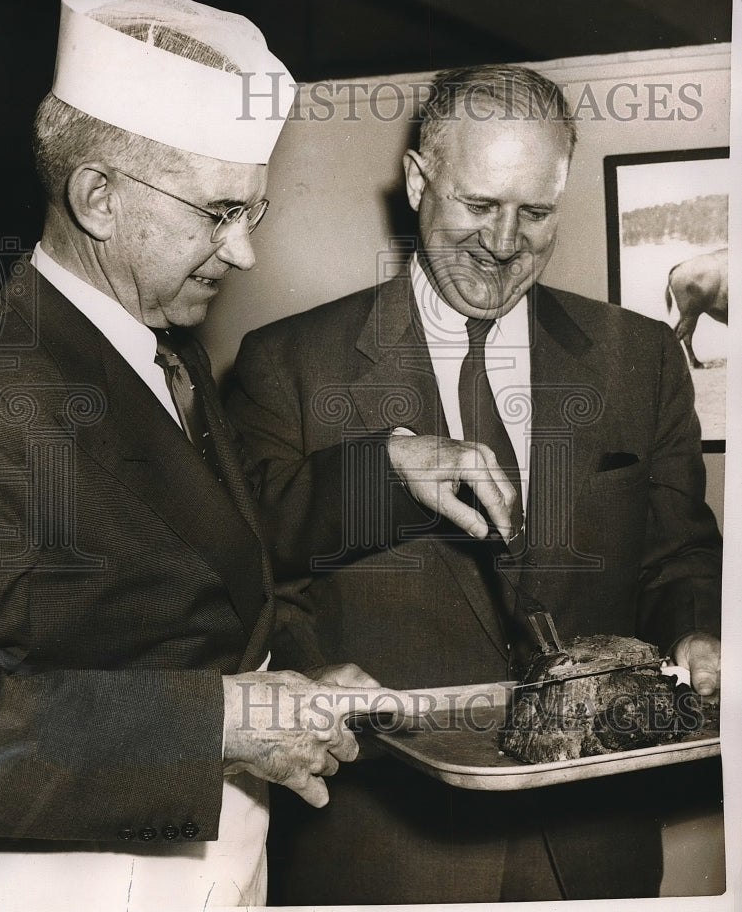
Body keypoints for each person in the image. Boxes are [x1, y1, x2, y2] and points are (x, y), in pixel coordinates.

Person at [227, 64, 723, 902]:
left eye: (535, 213)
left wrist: (698, 633)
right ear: (419, 182)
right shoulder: (287, 364)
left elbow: (677, 557)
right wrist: (380, 477)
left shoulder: (639, 358)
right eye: (479, 205)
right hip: (384, 850)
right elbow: (253, 567)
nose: (502, 241)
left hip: (593, 850)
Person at [0, 0, 384, 912]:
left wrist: (282, 686)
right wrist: (222, 723)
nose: (243, 253)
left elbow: (195, 569)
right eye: (219, 212)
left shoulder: (168, 350)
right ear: (98, 199)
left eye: (253, 209)